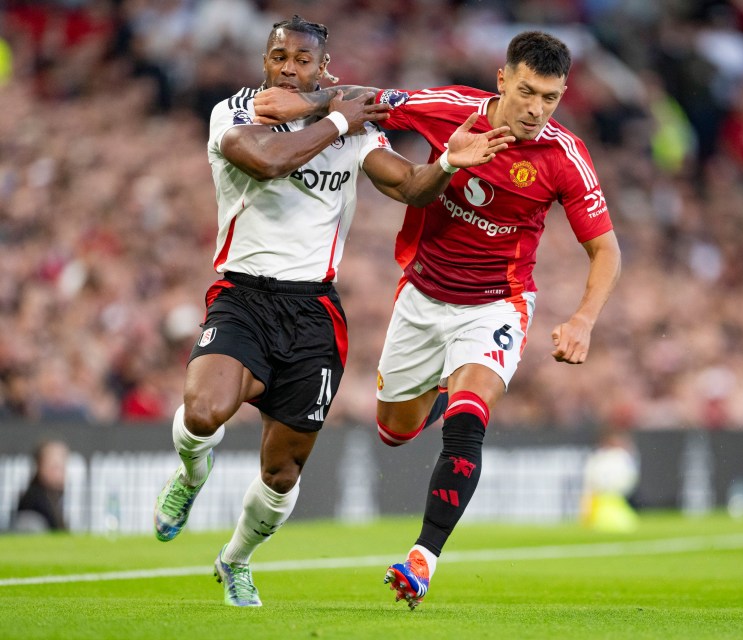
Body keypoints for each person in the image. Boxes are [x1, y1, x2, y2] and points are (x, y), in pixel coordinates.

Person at [152, 15, 513, 608]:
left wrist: (449, 162)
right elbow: (267, 161)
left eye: (301, 59)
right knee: (204, 409)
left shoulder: (355, 132)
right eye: (278, 57)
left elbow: (410, 187)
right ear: (265, 62)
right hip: (242, 295)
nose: (288, 68)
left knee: (281, 474)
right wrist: (340, 116)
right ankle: (191, 476)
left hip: (313, 310)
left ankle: (235, 561)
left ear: (323, 68)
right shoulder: (235, 112)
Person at [254, 30, 621, 609]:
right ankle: (448, 391)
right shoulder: (451, 110)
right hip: (422, 298)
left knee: (469, 420)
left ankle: (423, 559)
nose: (535, 109)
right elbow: (371, 98)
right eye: (526, 92)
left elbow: (606, 250)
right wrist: (306, 102)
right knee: (394, 431)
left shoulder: (564, 158)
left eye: (550, 98)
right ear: (502, 79)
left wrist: (583, 320)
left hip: (497, 304)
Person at [14, 439, 70, 532]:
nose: (61, 472)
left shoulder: (54, 497)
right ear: (40, 465)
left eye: (63, 466)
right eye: (55, 466)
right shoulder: (33, 501)